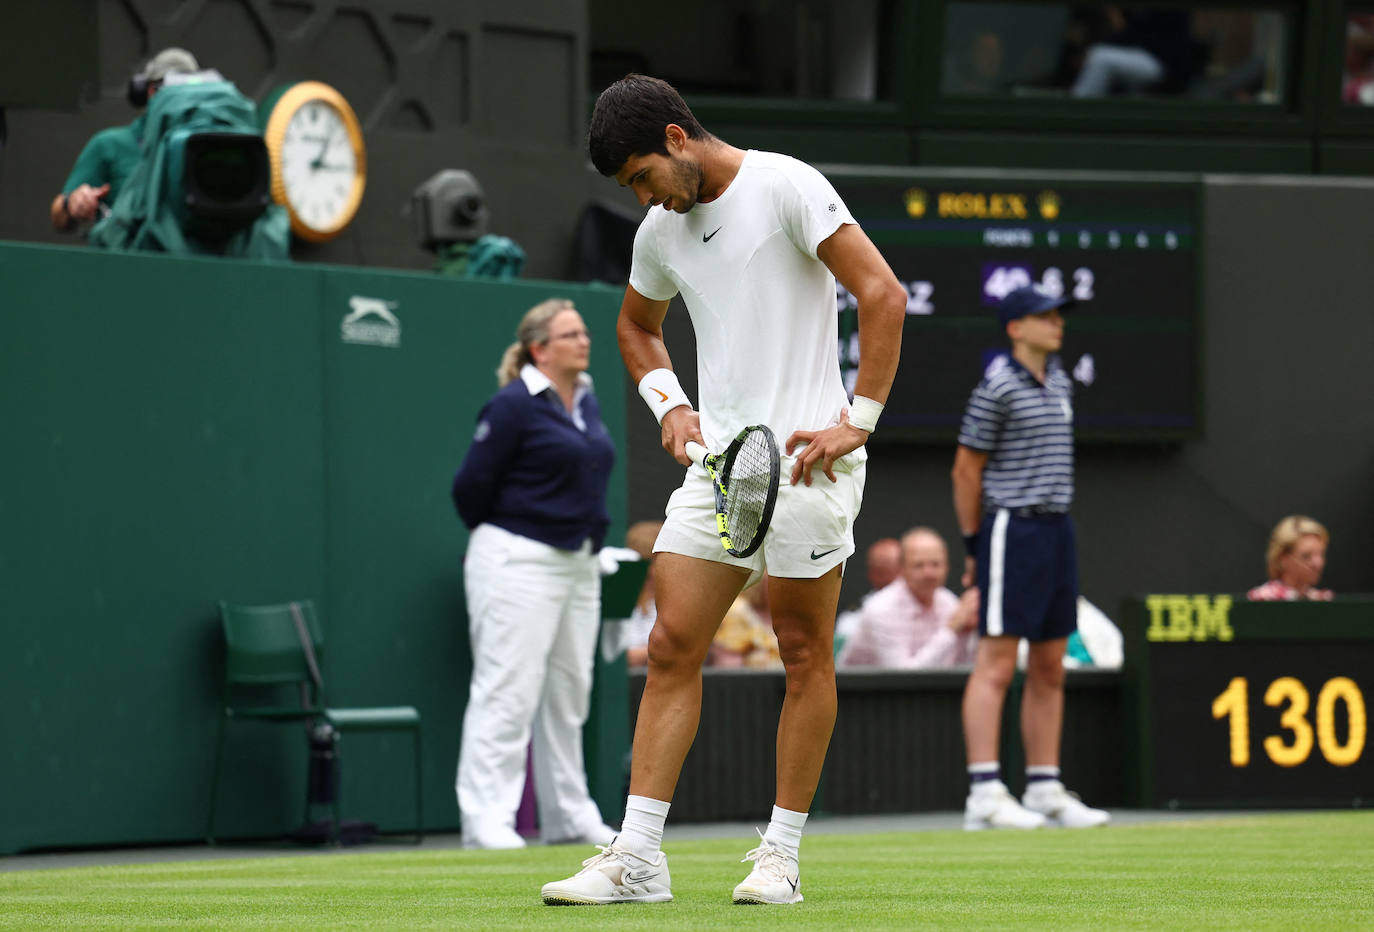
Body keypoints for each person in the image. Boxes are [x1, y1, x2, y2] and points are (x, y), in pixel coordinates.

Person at [541, 74, 906, 906]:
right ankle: (637, 860)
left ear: (677, 139)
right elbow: (637, 326)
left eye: (642, 177)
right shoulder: (659, 231)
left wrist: (860, 420)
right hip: (718, 468)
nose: (646, 199)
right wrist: (669, 408)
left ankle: (779, 857)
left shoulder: (787, 186)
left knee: (805, 652)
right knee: (672, 643)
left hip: (811, 463)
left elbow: (883, 294)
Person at [449, 298, 618, 850]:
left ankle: (570, 815)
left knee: (570, 696)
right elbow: (469, 491)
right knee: (507, 691)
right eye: (570, 334)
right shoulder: (511, 406)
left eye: (584, 332)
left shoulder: (587, 401)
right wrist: (520, 533)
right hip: (516, 561)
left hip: (580, 564)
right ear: (539, 349)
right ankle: (486, 820)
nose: (584, 340)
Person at [952, 283, 1110, 832]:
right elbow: (965, 470)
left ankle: (1044, 787)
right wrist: (974, 545)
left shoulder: (1060, 380)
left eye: (1058, 316)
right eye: (1044, 316)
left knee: (1049, 664)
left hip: (1057, 531)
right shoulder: (996, 388)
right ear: (1016, 328)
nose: (1057, 324)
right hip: (1010, 530)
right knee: (997, 661)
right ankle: (984, 793)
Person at [50, 48, 199, 232]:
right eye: (170, 89)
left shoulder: (207, 146)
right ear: (151, 92)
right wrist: (72, 202)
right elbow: (59, 217)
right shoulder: (109, 145)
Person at [838, 527, 979, 669]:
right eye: (919, 565)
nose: (929, 573)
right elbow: (905, 679)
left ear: (947, 567)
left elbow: (956, 669)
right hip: (860, 691)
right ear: (902, 569)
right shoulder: (881, 609)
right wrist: (951, 630)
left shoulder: (948, 602)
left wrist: (966, 634)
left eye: (936, 564)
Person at [1071, 8, 1206, 98]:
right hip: (1144, 56)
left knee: (1100, 58)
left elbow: (1135, 34)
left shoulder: (1167, 11)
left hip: (1162, 63)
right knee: (1099, 55)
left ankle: (1074, 112)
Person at [832, 536, 901, 653]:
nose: (888, 576)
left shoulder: (931, 605)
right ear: (872, 573)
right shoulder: (853, 618)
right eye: (881, 569)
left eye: (895, 568)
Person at [1247, 515, 1333, 602]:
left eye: (1321, 554)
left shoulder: (1322, 599)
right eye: (1306, 556)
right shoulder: (1262, 599)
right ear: (1282, 558)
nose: (1318, 563)